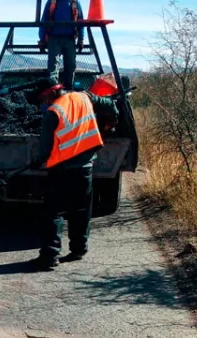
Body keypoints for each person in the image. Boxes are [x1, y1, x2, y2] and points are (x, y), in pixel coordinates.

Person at [30, 81, 118, 270]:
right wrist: (108, 125)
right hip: (85, 167)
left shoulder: (53, 112)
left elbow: (46, 149)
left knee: (53, 212)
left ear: (53, 92)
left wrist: (37, 162)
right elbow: (111, 105)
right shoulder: (85, 96)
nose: (43, 102)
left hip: (61, 170)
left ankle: (49, 257)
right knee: (81, 209)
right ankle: (79, 249)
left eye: (44, 98)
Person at [38, 0, 85, 90]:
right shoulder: (52, 2)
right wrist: (42, 40)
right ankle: (54, 90)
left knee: (71, 65)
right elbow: (43, 21)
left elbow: (80, 22)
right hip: (54, 38)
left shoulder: (75, 3)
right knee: (53, 66)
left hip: (70, 38)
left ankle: (69, 89)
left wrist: (81, 39)